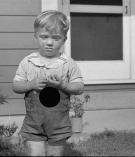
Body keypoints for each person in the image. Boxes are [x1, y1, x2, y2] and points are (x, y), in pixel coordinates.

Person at [12, 10, 84, 156]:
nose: (49, 42)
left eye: (56, 38)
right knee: (36, 154)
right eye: (44, 37)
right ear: (36, 37)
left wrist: (63, 86)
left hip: (58, 123)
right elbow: (16, 86)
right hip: (34, 123)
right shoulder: (28, 62)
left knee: (54, 155)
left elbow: (79, 88)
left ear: (64, 39)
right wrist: (31, 84)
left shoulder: (68, 63)